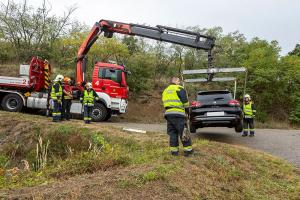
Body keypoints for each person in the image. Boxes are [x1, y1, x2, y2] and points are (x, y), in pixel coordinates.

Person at [162, 77, 193, 157]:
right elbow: (185, 102)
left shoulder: (165, 90)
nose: (179, 82)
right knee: (184, 132)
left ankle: (174, 153)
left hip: (169, 114)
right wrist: (187, 111)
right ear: (175, 81)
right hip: (179, 114)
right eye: (178, 81)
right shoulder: (179, 88)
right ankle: (188, 152)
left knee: (173, 133)